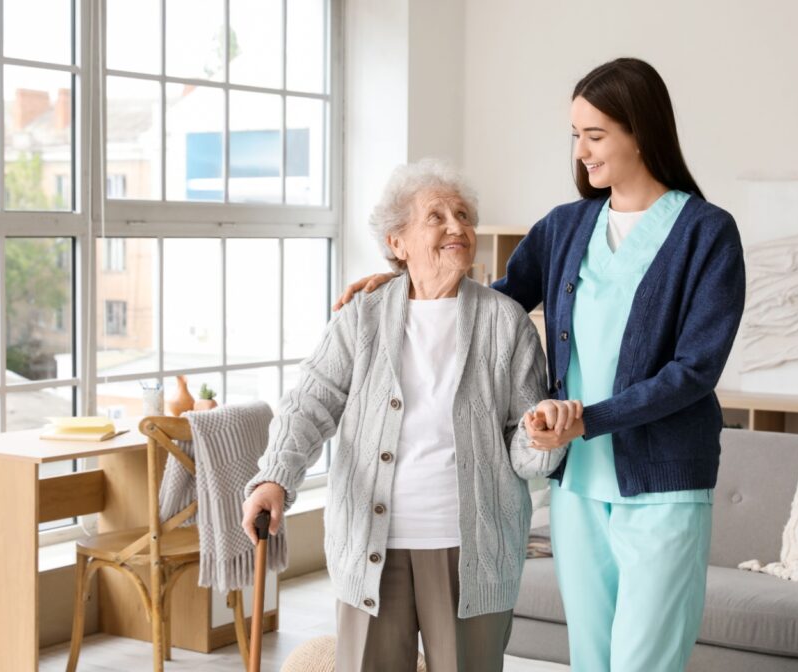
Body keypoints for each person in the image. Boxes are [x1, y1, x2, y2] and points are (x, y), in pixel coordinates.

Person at [334, 58, 747, 672]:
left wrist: (591, 419)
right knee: (591, 659)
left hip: (663, 483)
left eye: (596, 135)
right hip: (578, 484)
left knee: (644, 662)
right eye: (575, 135)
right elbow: (490, 304)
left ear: (642, 130)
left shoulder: (706, 233)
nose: (581, 151)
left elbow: (695, 370)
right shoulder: (565, 227)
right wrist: (407, 284)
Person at [241, 159, 575, 672]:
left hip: (472, 550)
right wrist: (275, 478)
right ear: (398, 243)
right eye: (435, 216)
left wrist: (542, 441)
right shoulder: (363, 315)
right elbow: (310, 401)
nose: (456, 226)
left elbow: (522, 442)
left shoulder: (505, 322)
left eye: (462, 214)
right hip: (371, 544)